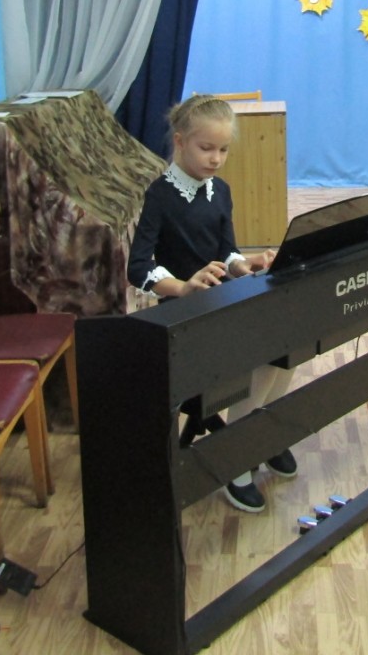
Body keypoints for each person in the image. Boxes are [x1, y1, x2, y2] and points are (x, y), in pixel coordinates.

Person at [127, 94, 295, 513]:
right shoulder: (160, 195)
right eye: (206, 148)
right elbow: (138, 267)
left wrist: (247, 264)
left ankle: (262, 434)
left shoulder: (220, 191)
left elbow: (227, 252)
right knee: (258, 361)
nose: (216, 159)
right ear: (180, 141)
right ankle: (235, 458)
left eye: (223, 149)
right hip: (182, 319)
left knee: (287, 347)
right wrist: (183, 288)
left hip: (220, 305)